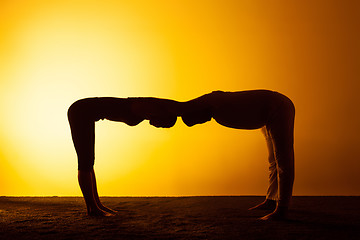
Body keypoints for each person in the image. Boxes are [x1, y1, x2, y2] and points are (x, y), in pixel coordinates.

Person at [181, 90, 295, 220]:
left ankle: (282, 209)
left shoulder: (214, 102)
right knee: (273, 160)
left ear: (198, 111)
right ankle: (272, 200)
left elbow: (178, 106)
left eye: (197, 120)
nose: (201, 122)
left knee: (283, 159)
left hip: (278, 107)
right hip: (268, 113)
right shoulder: (215, 112)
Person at [67, 97, 181, 216]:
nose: (158, 126)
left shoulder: (143, 113)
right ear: (162, 116)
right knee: (85, 162)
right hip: (79, 111)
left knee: (89, 162)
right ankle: (92, 208)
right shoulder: (141, 109)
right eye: (162, 125)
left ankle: (97, 205)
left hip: (86, 113)